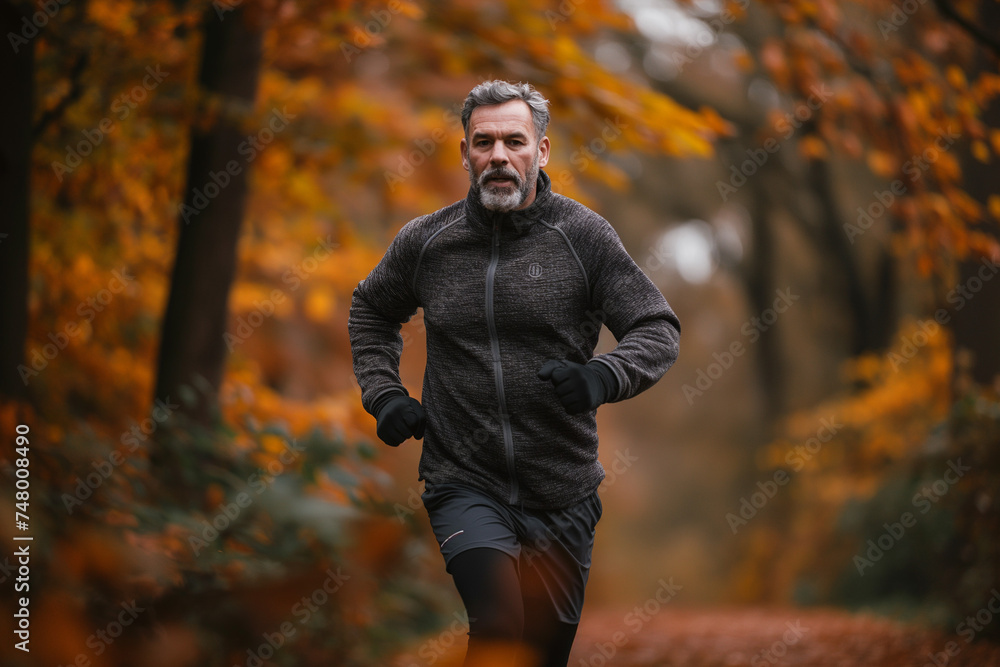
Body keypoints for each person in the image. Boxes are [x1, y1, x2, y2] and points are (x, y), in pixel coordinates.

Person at [348, 80, 680, 667]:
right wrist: (384, 393)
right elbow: (371, 310)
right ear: (466, 153)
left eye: (514, 141)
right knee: (499, 627)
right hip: (462, 479)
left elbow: (657, 329)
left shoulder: (584, 237)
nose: (499, 155)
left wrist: (603, 376)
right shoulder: (428, 242)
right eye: (485, 142)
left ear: (542, 152)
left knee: (541, 652)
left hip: (564, 489)